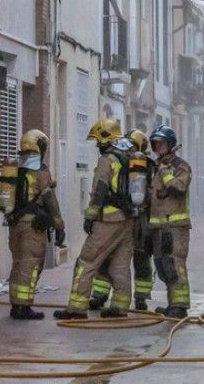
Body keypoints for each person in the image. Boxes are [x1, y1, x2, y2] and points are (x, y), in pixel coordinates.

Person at [55, 119, 136, 320]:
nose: (98, 145)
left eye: (99, 141)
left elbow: (100, 189)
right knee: (120, 265)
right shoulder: (128, 158)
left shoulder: (107, 160)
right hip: (128, 220)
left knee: (87, 261)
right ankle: (119, 307)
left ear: (106, 138)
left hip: (108, 219)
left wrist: (90, 217)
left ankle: (76, 308)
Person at [89, 128, 156, 311]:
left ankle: (141, 297)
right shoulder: (120, 161)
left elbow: (150, 193)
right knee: (109, 257)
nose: (129, 148)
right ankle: (99, 295)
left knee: (141, 258)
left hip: (141, 220)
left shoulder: (146, 166)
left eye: (133, 145)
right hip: (123, 217)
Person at [4, 129, 66, 320]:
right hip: (32, 227)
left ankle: (15, 304)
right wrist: (59, 226)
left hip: (15, 225)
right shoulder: (40, 170)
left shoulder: (15, 167)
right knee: (30, 266)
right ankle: (23, 306)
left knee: (18, 264)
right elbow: (50, 201)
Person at [146, 125, 192, 319]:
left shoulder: (181, 166)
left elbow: (179, 187)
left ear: (171, 144)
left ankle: (180, 305)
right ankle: (172, 303)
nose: (158, 146)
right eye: (155, 143)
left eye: (162, 143)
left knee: (175, 265)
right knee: (163, 266)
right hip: (158, 227)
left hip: (175, 227)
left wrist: (165, 174)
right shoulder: (157, 166)